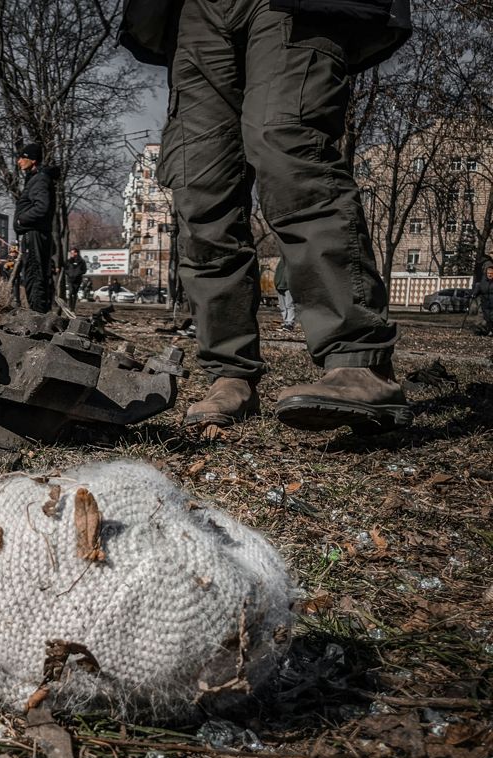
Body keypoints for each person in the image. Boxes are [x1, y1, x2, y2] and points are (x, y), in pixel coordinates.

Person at [120, 0, 413, 433]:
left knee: (289, 153)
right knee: (200, 188)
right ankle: (230, 373)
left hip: (291, 4)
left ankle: (359, 361)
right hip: (194, 11)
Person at [13, 143, 56, 314]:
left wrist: (21, 221)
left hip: (35, 235)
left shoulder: (39, 180)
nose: (19, 162)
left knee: (34, 274)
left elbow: (41, 207)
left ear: (33, 160)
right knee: (34, 274)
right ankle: (38, 313)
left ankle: (38, 317)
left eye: (22, 158)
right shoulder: (36, 179)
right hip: (34, 235)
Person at [274, 258, 295, 331]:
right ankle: (286, 322)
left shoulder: (290, 262)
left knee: (289, 305)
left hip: (288, 287)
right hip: (279, 286)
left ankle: (290, 323)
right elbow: (277, 274)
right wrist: (276, 284)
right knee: (282, 306)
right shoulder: (280, 263)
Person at [475, 260, 493, 335]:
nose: (490, 275)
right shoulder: (482, 282)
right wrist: (474, 293)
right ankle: (481, 331)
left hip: (492, 303)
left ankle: (490, 331)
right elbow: (479, 289)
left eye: (491, 273)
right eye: (488, 273)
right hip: (485, 303)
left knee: (491, 318)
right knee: (483, 319)